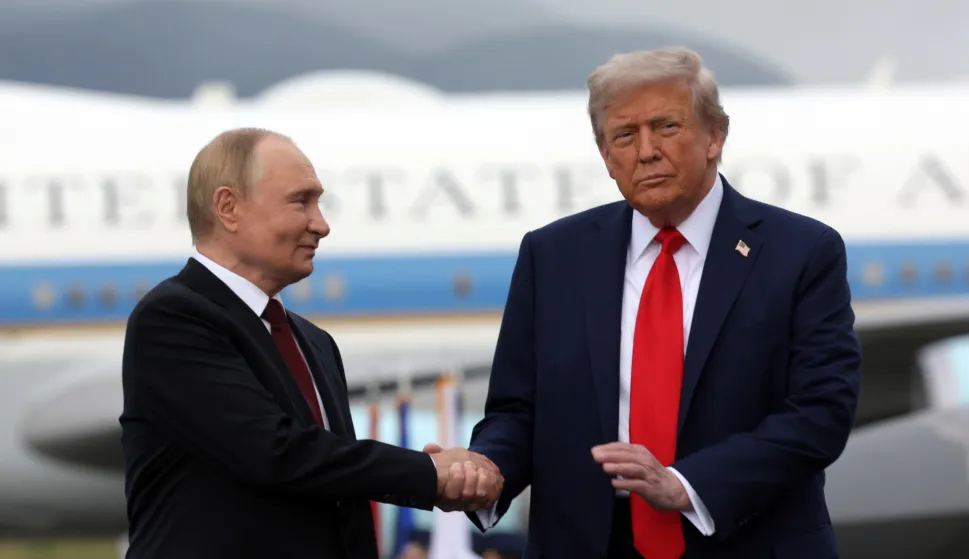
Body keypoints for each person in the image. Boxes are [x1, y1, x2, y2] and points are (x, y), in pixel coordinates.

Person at [461, 47, 861, 558]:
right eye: (625, 135)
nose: (646, 151)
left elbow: (821, 412)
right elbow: (518, 411)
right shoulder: (553, 256)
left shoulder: (800, 251)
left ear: (715, 136)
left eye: (666, 126)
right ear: (606, 156)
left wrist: (687, 485)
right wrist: (483, 470)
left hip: (744, 539)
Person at [119, 128, 503, 559]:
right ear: (228, 207)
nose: (321, 224)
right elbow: (275, 452)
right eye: (300, 201)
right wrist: (426, 473)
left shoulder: (313, 342)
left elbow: (334, 481)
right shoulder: (173, 319)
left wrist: (428, 474)